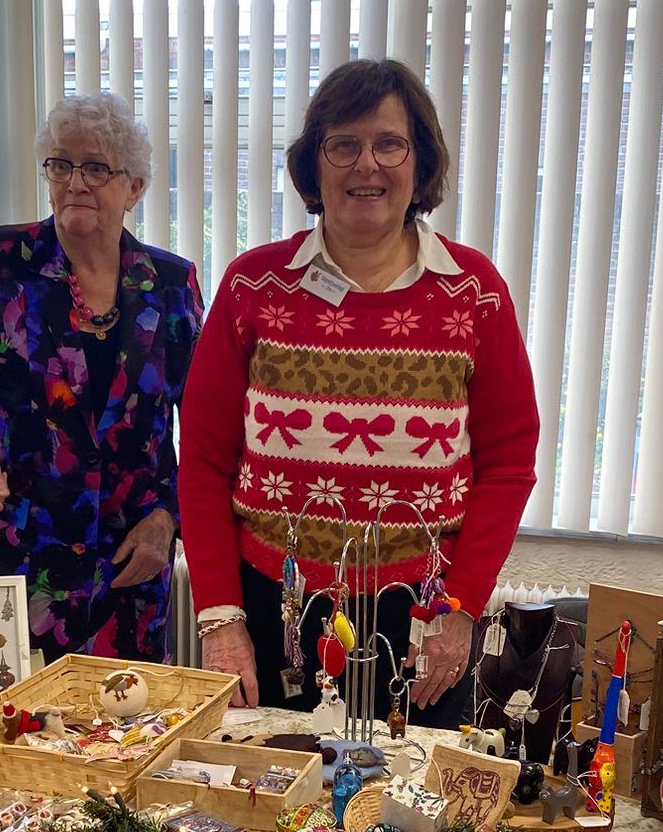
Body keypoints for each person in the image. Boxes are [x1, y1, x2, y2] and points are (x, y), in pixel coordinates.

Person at [179, 59, 540, 724]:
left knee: (413, 788)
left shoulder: (473, 291)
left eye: (388, 144)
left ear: (419, 161)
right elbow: (202, 462)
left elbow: (510, 462)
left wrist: (460, 608)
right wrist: (220, 620)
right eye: (342, 145)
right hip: (274, 614)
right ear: (313, 165)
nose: (366, 164)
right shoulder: (252, 287)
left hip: (426, 623)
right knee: (271, 783)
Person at [0, 92, 203, 664]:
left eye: (96, 168)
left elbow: (206, 433)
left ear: (134, 188)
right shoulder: (2, 260)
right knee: (4, 719)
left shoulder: (171, 284)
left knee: (126, 719)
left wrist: (168, 519)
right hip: (13, 562)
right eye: (61, 165)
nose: (75, 183)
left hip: (126, 573)